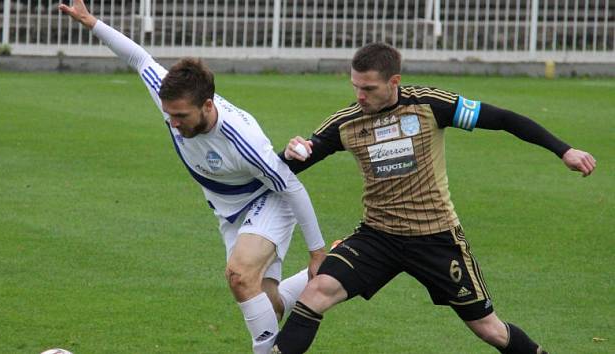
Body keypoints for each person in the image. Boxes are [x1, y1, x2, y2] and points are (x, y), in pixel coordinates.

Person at [273, 43, 596, 354]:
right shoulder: (346, 123)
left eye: (369, 88)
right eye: (355, 86)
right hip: (378, 236)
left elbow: (503, 119)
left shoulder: (430, 105)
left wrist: (564, 150)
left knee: (489, 329)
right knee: (317, 291)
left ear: (394, 81)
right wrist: (290, 152)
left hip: (436, 238)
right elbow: (285, 167)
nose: (360, 96)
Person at [58, 2, 327, 353]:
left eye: (181, 115)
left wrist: (316, 251)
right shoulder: (170, 98)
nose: (173, 123)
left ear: (208, 105)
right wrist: (91, 22)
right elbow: (139, 59)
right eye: (169, 114)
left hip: (266, 198)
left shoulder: (243, 140)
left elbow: (291, 186)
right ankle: (331, 267)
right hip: (227, 211)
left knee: (239, 274)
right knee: (265, 299)